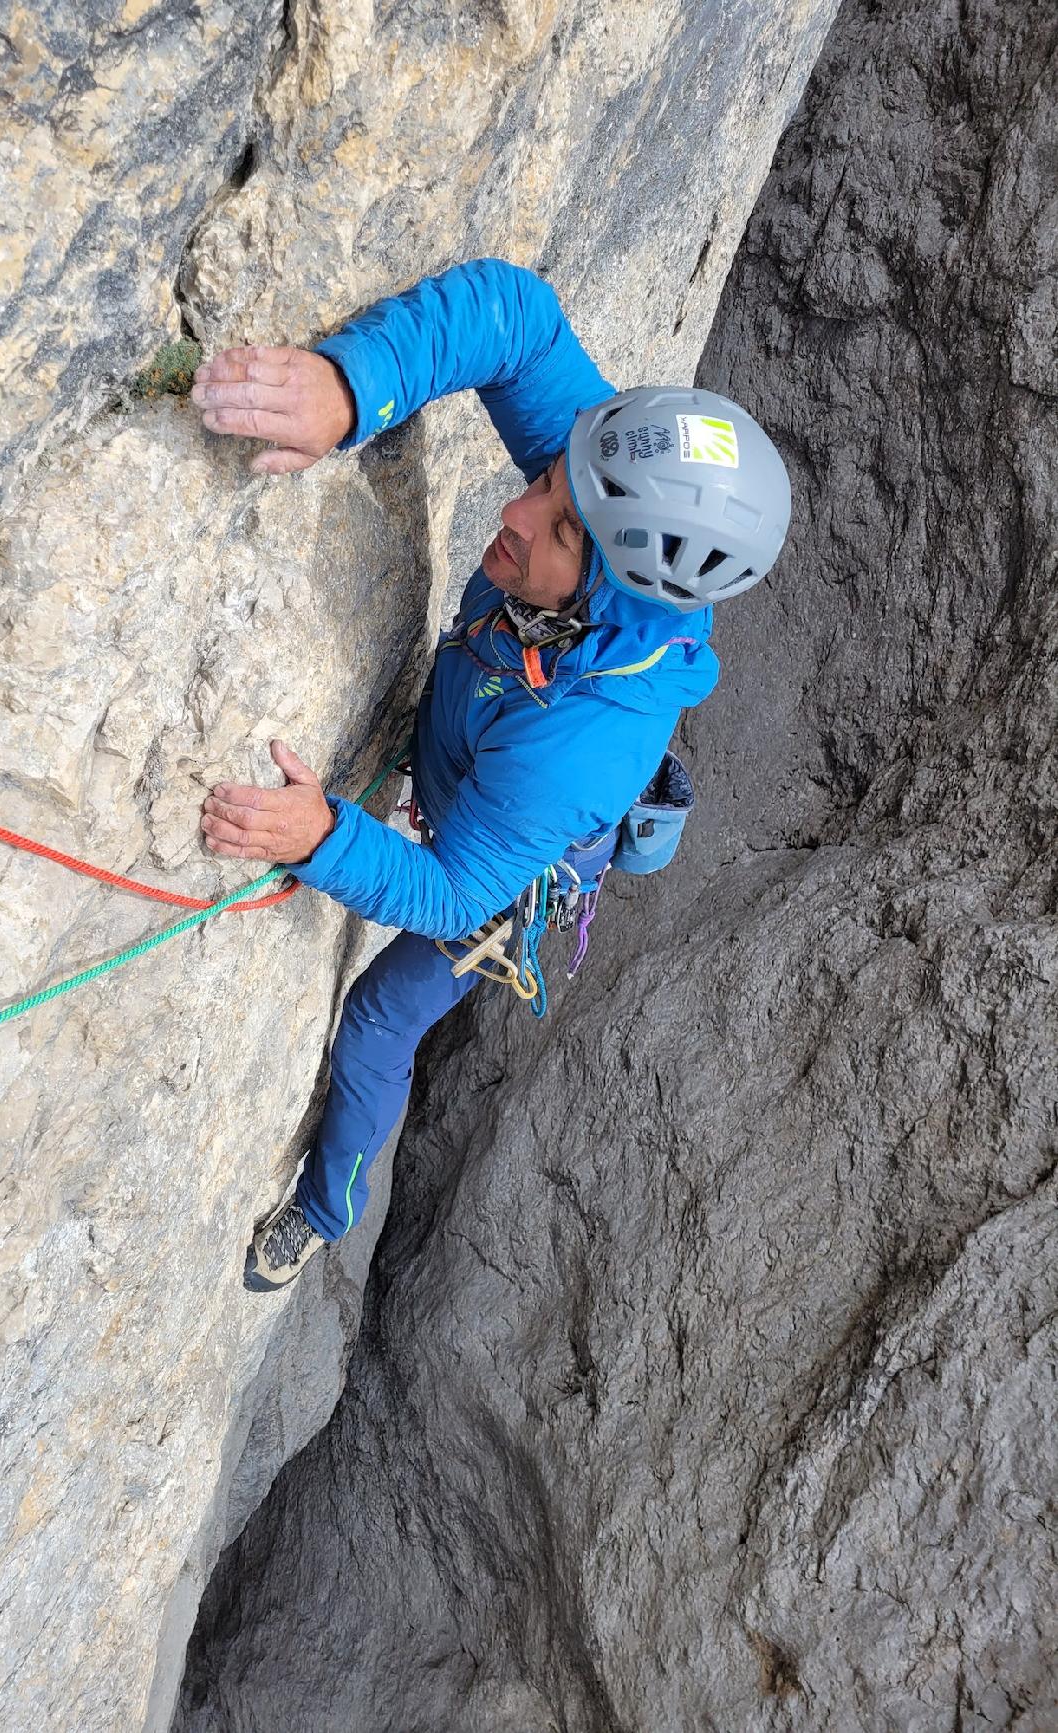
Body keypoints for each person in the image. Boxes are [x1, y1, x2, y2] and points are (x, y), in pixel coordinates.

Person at [192, 258, 790, 1290]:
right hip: (470, 748)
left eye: (559, 528)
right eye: (549, 478)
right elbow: (516, 318)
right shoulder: (608, 496)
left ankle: (323, 1211)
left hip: (507, 857)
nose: (517, 512)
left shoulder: (580, 742)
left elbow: (458, 891)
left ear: (615, 592)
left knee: (381, 1020)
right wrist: (353, 386)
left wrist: (322, 838)